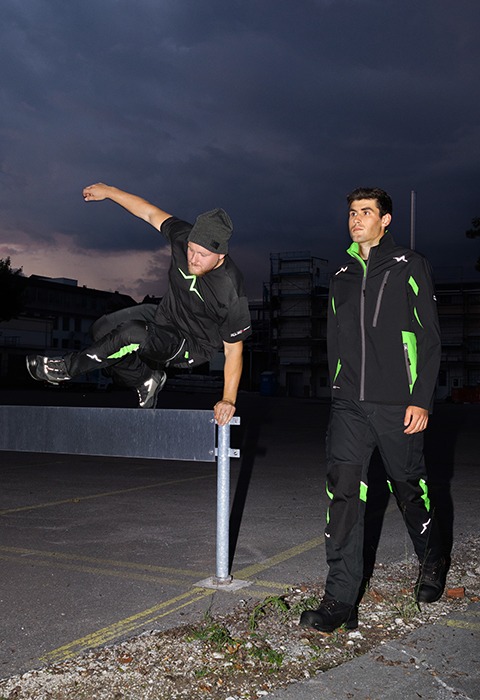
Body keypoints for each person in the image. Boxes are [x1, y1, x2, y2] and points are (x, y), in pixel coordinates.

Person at [300, 187, 446, 633]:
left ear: (385, 220)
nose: (356, 219)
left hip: (398, 402)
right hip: (349, 404)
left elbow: (429, 338)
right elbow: (334, 339)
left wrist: (420, 398)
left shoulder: (410, 264)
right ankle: (341, 599)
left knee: (408, 487)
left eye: (366, 212)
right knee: (343, 493)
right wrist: (338, 387)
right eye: (352, 212)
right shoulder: (341, 274)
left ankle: (432, 558)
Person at [26, 183, 252, 426]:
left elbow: (233, 351)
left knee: (132, 333)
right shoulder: (182, 235)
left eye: (202, 255)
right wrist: (109, 192)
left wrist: (228, 399)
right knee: (102, 329)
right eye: (191, 250)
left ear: (221, 255)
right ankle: (145, 379)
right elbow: (148, 212)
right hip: (164, 316)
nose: (193, 259)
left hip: (190, 344)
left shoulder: (230, 291)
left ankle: (65, 369)